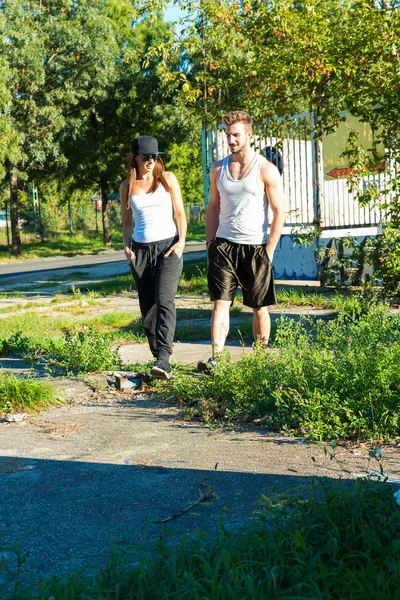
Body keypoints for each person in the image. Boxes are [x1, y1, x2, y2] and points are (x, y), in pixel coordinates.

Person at [198, 111, 286, 372]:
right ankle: (217, 358)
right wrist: (210, 242)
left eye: (236, 135)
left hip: (256, 247)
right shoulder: (218, 169)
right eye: (228, 135)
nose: (231, 140)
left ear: (249, 135)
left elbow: (279, 211)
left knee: (259, 307)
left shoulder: (266, 170)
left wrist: (269, 249)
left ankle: (261, 359)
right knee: (220, 302)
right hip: (224, 246)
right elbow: (213, 207)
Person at [120, 135, 187, 380]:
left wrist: (181, 243)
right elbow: (127, 224)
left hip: (168, 247)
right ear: (135, 158)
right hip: (140, 251)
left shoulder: (167, 180)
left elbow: (180, 214)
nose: (150, 161)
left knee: (164, 299)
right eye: (145, 157)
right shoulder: (127, 186)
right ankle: (158, 358)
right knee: (147, 307)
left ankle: (164, 359)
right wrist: (126, 246)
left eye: (154, 157)